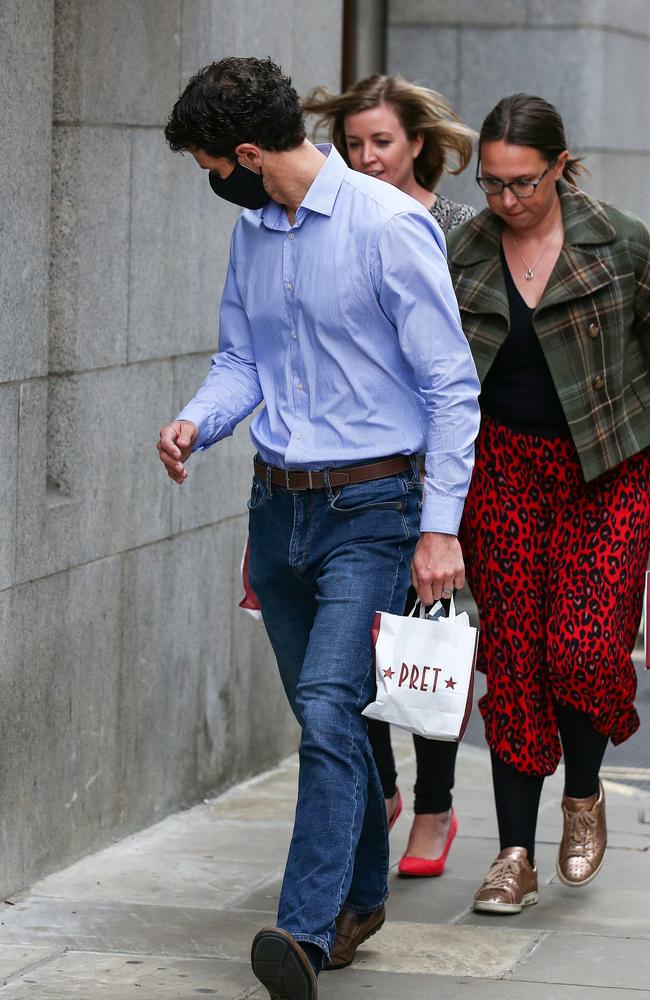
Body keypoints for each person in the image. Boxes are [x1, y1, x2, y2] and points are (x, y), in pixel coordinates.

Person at [157, 57, 480, 999]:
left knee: (333, 713)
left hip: (373, 512)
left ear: (249, 155)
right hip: (278, 510)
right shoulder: (256, 235)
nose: (214, 182)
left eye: (214, 165)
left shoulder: (391, 226)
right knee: (324, 715)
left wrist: (439, 527)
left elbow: (450, 387)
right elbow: (240, 359)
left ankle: (301, 930)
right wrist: (197, 419)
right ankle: (365, 891)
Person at [446, 93, 650, 914]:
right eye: (493, 184)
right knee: (518, 659)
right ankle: (513, 855)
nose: (506, 200)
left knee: (585, 649)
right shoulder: (464, 250)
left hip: (608, 469)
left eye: (523, 183)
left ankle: (585, 793)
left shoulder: (623, 244)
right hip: (503, 471)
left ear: (561, 165)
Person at [303, 74, 476, 877]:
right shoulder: (332, 224)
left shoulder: (459, 231)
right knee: (354, 651)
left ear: (418, 145)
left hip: (444, 465)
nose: (367, 157)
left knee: (427, 641)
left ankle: (433, 806)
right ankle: (382, 788)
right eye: (355, 142)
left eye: (383, 141)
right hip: (357, 477)